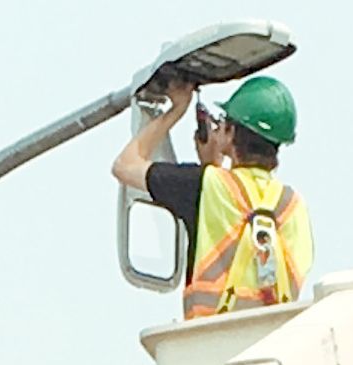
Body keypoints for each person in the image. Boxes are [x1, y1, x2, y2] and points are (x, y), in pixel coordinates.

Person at [112, 76, 313, 319]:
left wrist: (175, 111)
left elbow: (125, 165)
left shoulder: (204, 185)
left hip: (210, 344)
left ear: (230, 133)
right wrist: (211, 165)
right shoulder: (294, 205)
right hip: (272, 343)